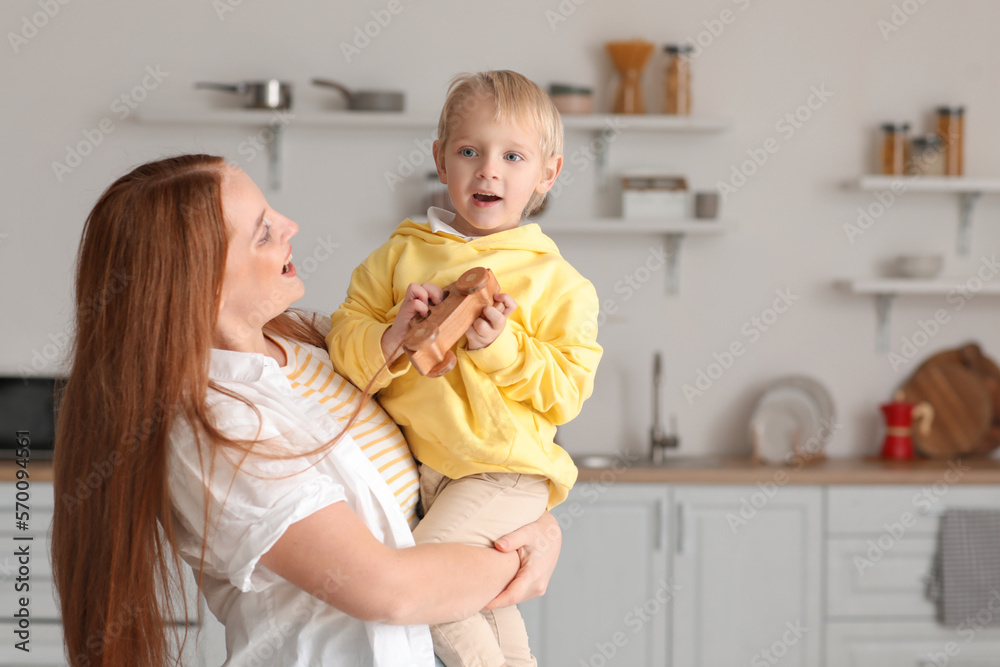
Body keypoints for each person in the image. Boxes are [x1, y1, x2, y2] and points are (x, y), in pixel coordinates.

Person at [50, 154, 562, 667]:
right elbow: (390, 592)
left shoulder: (313, 340)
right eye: (263, 232)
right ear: (199, 281)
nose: (290, 226)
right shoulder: (212, 430)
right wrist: (522, 554)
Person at [328, 70, 603, 667]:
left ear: (546, 175)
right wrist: (392, 335)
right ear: (440, 158)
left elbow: (566, 394)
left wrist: (500, 347)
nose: (489, 171)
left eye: (512, 155)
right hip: (435, 474)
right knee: (487, 609)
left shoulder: (561, 284)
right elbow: (343, 339)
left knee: (423, 581)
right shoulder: (399, 257)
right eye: (469, 151)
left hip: (504, 472)